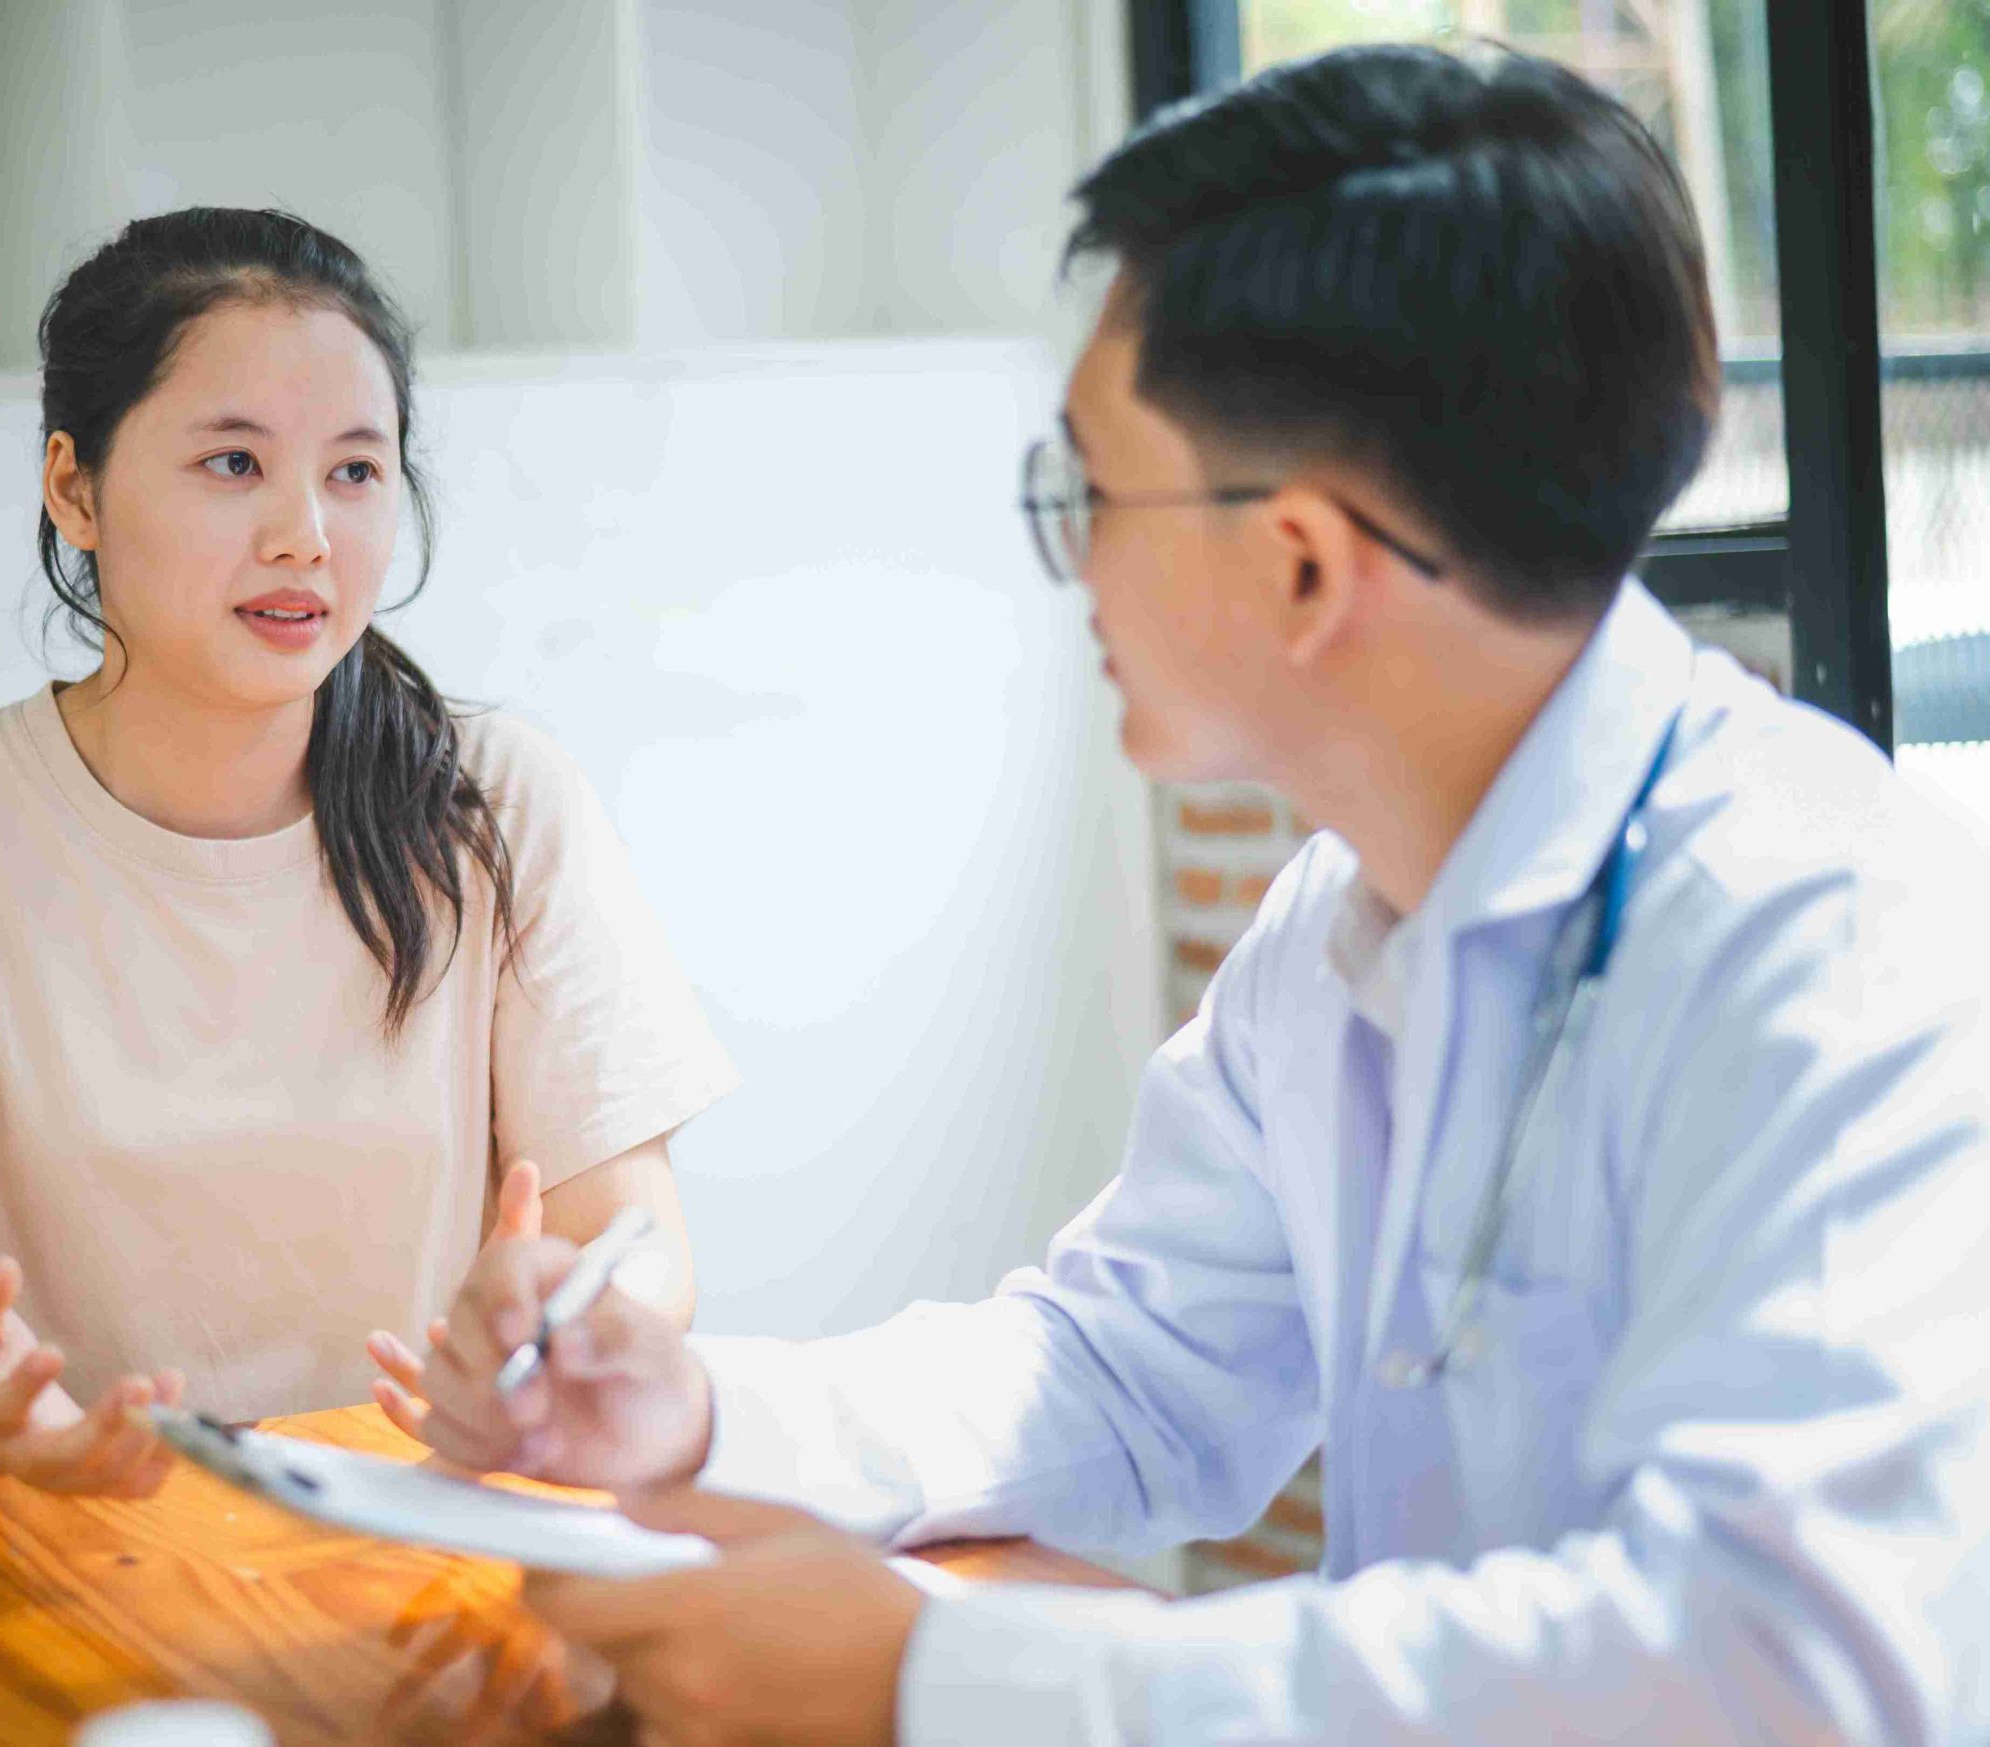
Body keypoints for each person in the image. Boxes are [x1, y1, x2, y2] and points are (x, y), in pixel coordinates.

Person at [376, 45, 1990, 1745]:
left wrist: (937, 1678)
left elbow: (1786, 1669)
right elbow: (1122, 1363)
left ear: (1301, 562)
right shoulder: (1340, 926)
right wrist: (694, 1410)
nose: (1070, 558)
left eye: (1091, 489)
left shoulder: (1820, 926)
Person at [0, 209, 737, 1497]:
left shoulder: (499, 807)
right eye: (233, 465)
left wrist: (573, 1315)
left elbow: (641, 1244)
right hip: (61, 1558)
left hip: (418, 1541)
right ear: (74, 489)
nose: (305, 533)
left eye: (356, 471)